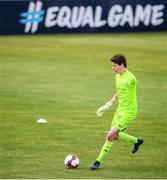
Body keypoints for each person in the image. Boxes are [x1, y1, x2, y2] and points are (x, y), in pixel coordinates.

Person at [90, 54, 144, 170]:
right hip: (120, 110)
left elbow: (131, 85)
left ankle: (97, 161)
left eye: (114, 65)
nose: (112, 68)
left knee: (110, 135)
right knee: (113, 136)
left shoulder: (131, 79)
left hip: (129, 112)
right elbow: (120, 91)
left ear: (122, 65)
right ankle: (136, 141)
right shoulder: (117, 77)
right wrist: (108, 104)